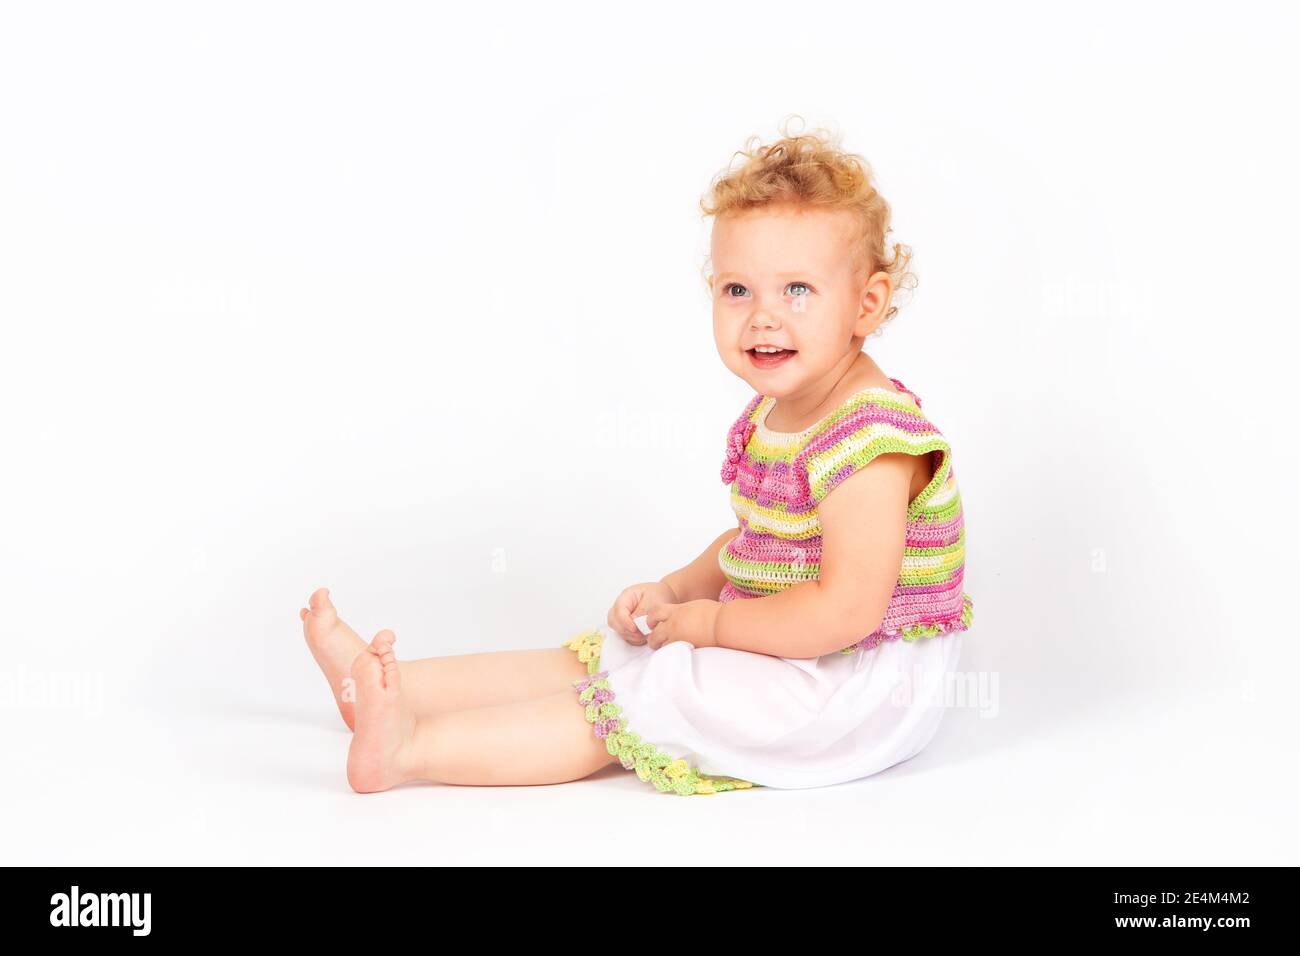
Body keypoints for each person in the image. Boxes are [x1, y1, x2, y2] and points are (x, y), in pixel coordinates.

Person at [299, 119, 974, 796]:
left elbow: (846, 610)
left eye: (797, 290)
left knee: (666, 686)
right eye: (738, 290)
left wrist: (714, 624)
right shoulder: (785, 409)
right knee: (616, 651)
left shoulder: (871, 439)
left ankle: (414, 748)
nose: (763, 316)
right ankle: (385, 688)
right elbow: (763, 541)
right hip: (796, 645)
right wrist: (682, 591)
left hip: (852, 685)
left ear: (867, 303)